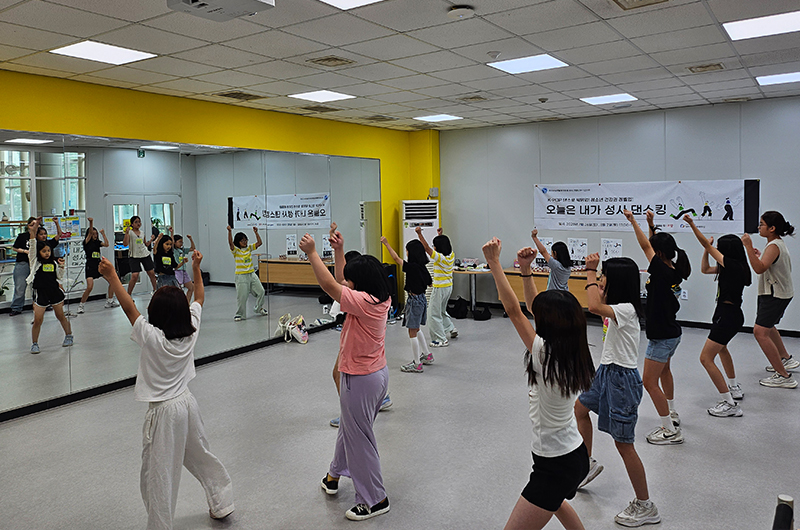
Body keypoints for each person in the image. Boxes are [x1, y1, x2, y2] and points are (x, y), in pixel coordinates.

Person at [98, 251, 234, 530]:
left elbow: (129, 309)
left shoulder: (152, 338)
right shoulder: (191, 329)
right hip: (188, 403)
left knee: (158, 475)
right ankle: (221, 502)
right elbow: (199, 297)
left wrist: (112, 277)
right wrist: (196, 268)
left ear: (156, 316)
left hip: (163, 413)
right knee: (201, 455)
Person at [482, 237, 594, 530]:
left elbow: (515, 311)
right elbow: (534, 309)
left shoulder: (545, 354)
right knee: (557, 504)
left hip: (555, 464)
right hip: (574, 453)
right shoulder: (574, 349)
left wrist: (495, 263)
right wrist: (526, 270)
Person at [304, 230, 391, 522]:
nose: (346, 283)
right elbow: (342, 281)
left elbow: (330, 284)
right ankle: (334, 475)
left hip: (360, 379)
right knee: (351, 430)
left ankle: (375, 499)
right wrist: (339, 250)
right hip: (377, 375)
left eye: (351, 281)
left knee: (360, 439)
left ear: (360, 284)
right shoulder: (378, 297)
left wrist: (312, 253)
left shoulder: (363, 302)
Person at [574, 252, 661, 527]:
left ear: (617, 283)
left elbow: (593, 307)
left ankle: (646, 505)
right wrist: (599, 284)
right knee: (580, 409)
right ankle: (586, 463)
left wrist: (589, 271)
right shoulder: (617, 305)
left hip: (622, 380)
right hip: (607, 371)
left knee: (624, 445)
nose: (599, 281)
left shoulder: (627, 309)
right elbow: (597, 303)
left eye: (604, 277)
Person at [625, 209, 690, 445]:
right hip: (671, 333)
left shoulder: (661, 271)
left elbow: (645, 245)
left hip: (662, 336)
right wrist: (651, 224)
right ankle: (671, 412)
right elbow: (652, 245)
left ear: (659, 253)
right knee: (664, 372)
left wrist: (633, 221)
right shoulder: (671, 268)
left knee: (649, 382)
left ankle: (670, 430)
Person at [684, 215, 751, 415]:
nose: (717, 250)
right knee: (722, 349)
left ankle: (729, 404)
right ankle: (734, 387)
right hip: (729, 313)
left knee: (705, 358)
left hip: (727, 315)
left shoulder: (732, 265)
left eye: (719, 248)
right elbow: (705, 269)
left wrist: (692, 224)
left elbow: (705, 242)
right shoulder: (736, 266)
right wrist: (707, 250)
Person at [742, 211, 798, 388]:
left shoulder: (774, 246)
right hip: (778, 293)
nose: (759, 227)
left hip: (775, 295)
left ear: (772, 228)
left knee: (760, 332)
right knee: (769, 326)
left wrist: (748, 247)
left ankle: (784, 376)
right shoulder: (775, 244)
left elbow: (759, 268)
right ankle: (785, 359)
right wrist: (758, 255)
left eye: (762, 224)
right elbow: (766, 264)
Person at [382, 236, 433, 372]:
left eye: (407, 250)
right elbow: (430, 283)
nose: (406, 253)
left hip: (414, 301)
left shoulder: (411, 267)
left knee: (412, 332)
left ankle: (417, 364)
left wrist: (387, 244)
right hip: (422, 299)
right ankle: (427, 355)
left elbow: (395, 258)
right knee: (416, 328)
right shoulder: (423, 268)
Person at [26, 218, 72, 353]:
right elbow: (33, 243)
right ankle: (35, 343)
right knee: (38, 320)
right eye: (44, 251)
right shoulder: (34, 261)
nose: (47, 253)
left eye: (48, 251)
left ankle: (69, 335)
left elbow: (59, 277)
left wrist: (62, 266)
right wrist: (34, 227)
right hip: (41, 293)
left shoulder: (54, 263)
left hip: (54, 291)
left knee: (61, 316)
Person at [416, 226, 458, 347]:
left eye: (435, 245)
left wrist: (419, 234)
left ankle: (440, 339)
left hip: (440, 288)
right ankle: (450, 328)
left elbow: (427, 248)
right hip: (448, 287)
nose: (433, 247)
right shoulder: (451, 255)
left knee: (433, 314)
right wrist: (440, 236)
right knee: (441, 310)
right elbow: (441, 247)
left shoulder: (440, 258)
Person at [77, 217, 118, 314]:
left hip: (99, 266)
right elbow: (90, 233)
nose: (94, 235)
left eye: (96, 234)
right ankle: (81, 306)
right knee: (90, 287)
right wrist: (91, 222)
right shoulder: (86, 243)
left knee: (112, 281)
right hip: (90, 266)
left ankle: (110, 301)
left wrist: (103, 234)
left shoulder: (97, 243)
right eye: (93, 234)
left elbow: (107, 244)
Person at [227, 225, 268, 321]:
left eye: (246, 240)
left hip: (252, 274)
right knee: (242, 297)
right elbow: (230, 243)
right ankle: (240, 314)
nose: (245, 242)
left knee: (261, 291)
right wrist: (229, 232)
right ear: (238, 242)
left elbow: (259, 243)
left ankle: (258, 308)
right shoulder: (236, 251)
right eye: (242, 241)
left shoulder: (249, 248)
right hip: (241, 276)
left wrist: (256, 232)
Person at [10, 217, 38, 316]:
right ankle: (16, 307)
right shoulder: (22, 236)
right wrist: (24, 251)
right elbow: (15, 248)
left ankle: (41, 304)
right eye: (31, 225)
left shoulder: (39, 236)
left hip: (36, 263)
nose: (34, 227)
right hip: (23, 262)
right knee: (20, 286)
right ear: (28, 226)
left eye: (36, 224)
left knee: (38, 285)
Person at [123, 216, 158, 296]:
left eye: (139, 222)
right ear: (132, 224)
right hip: (134, 256)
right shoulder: (130, 232)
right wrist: (126, 233)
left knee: (151, 273)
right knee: (135, 275)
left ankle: (155, 290)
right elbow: (125, 244)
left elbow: (145, 244)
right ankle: (128, 295)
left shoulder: (142, 233)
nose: (138, 223)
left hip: (145, 254)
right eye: (136, 222)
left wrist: (151, 240)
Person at [172, 234, 195, 302]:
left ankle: (187, 303)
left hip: (183, 271)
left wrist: (190, 239)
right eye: (179, 242)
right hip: (177, 271)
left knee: (191, 287)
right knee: (178, 290)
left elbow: (192, 248)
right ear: (174, 242)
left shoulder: (183, 249)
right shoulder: (173, 250)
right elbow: (172, 242)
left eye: (182, 242)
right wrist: (171, 232)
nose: (181, 244)